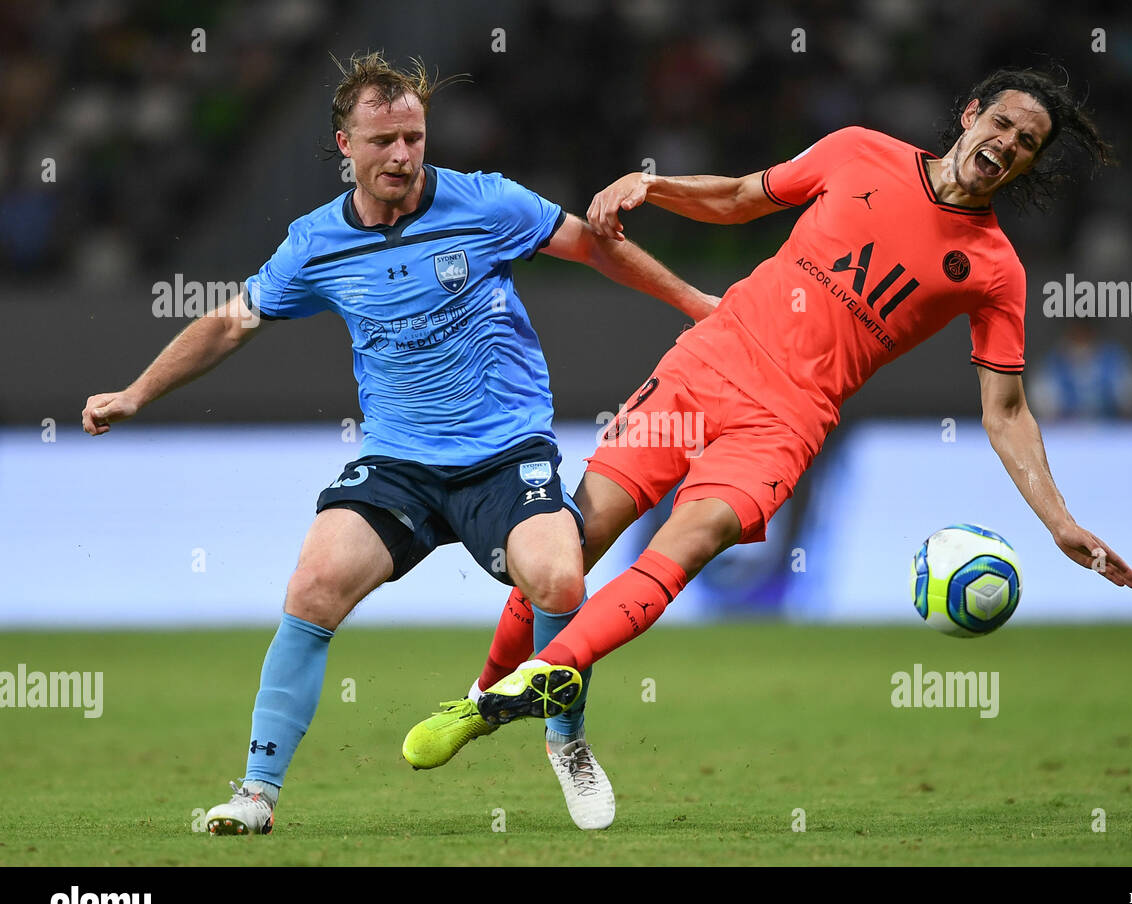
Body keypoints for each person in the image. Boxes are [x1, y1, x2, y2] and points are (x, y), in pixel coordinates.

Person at [407, 67, 1132, 750]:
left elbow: (1006, 411)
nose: (1008, 145)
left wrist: (1059, 522)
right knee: (573, 541)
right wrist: (653, 185)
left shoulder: (994, 271)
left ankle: (549, 673)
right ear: (971, 113)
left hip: (787, 422)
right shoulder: (859, 151)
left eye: (1027, 144)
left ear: (1026, 164)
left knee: (691, 541)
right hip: (710, 363)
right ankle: (481, 699)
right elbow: (739, 197)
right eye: (1005, 124)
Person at [80, 52, 716, 834]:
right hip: (398, 465)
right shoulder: (314, 244)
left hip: (504, 452)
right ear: (344, 145)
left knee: (558, 577)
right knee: (312, 588)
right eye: (383, 141)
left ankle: (566, 739)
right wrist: (136, 393)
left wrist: (693, 302)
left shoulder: (487, 203)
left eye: (414, 137)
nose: (403, 156)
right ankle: (254, 794)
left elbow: (592, 245)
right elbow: (229, 321)